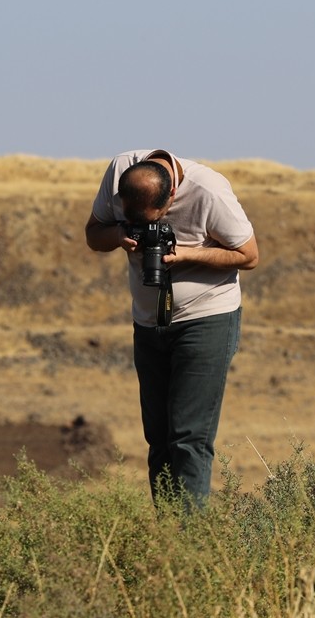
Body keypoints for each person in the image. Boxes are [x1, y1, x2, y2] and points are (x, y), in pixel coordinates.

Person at [85, 149, 259, 508]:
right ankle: (168, 536)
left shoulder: (209, 190)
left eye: (155, 219)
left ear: (173, 197)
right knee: (159, 437)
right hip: (148, 322)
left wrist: (185, 255)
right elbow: (93, 234)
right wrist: (119, 235)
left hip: (206, 319)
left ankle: (189, 546)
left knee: (188, 437)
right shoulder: (119, 169)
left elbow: (249, 255)